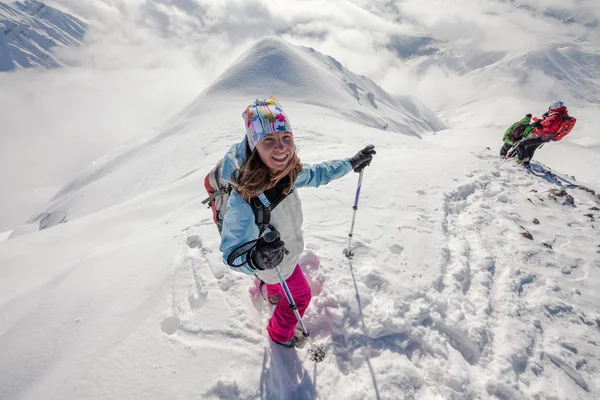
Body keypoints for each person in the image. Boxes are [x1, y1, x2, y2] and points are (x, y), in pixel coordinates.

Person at [218, 96, 375, 348]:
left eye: (285, 138)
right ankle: (280, 335)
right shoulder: (244, 196)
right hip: (276, 265)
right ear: (254, 145)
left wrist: (350, 164)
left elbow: (318, 173)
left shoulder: (286, 173)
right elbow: (230, 254)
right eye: (268, 140)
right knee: (300, 298)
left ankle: (272, 293)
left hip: (279, 261)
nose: (281, 148)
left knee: (277, 286)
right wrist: (257, 259)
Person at [516, 100, 575, 167]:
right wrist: (539, 122)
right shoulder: (560, 115)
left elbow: (548, 127)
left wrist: (539, 126)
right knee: (531, 148)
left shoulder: (555, 116)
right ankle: (525, 162)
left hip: (541, 136)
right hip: (545, 137)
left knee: (520, 144)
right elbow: (549, 124)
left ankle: (523, 162)